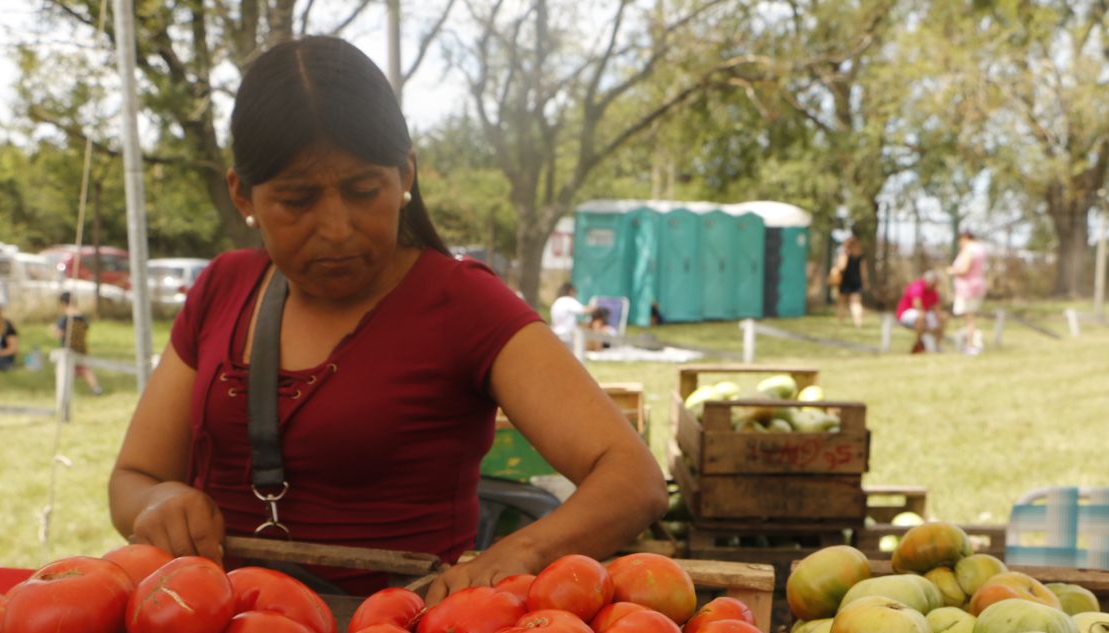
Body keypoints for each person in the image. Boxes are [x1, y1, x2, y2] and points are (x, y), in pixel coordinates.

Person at [107, 36, 666, 603]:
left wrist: (516, 555)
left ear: (404, 176)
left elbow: (632, 479)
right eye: (297, 200)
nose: (337, 229)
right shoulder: (222, 289)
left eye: (362, 190)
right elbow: (134, 478)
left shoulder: (463, 304)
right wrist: (157, 504)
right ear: (242, 195)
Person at [52, 291, 103, 395]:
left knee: (60, 370)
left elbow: (60, 333)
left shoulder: (66, 317)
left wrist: (54, 329)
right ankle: (96, 389)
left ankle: (64, 392)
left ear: (63, 303)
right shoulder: (82, 317)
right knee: (85, 370)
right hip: (81, 348)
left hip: (69, 348)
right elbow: (85, 330)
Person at [950, 230, 988, 354]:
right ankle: (970, 342)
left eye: (960, 240)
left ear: (965, 238)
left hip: (967, 289)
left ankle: (971, 344)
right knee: (969, 317)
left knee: (969, 318)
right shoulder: (980, 249)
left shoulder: (969, 250)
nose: (960, 244)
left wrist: (952, 271)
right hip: (976, 286)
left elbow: (965, 269)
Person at [895, 270, 945, 353]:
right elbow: (917, 304)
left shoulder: (933, 291)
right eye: (935, 283)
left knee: (943, 317)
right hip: (907, 313)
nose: (936, 285)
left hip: (924, 313)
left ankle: (937, 346)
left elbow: (936, 307)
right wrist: (927, 320)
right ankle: (919, 344)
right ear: (930, 281)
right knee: (921, 317)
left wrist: (939, 316)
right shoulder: (918, 286)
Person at [832, 234, 866, 327]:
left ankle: (841, 321)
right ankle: (858, 322)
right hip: (857, 281)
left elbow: (842, 267)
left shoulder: (845, 253)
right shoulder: (860, 255)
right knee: (856, 303)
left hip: (845, 281)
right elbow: (863, 271)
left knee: (842, 302)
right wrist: (864, 282)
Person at [549, 281, 591, 346]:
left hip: (556, 334)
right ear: (571, 291)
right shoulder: (568, 300)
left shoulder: (557, 302)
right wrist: (596, 305)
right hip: (567, 336)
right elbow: (585, 310)